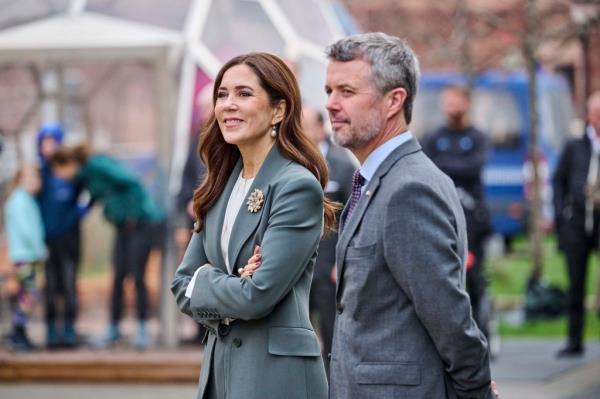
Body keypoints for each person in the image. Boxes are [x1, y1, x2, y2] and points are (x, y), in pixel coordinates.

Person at [324, 33, 494, 398]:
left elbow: (450, 317)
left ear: (393, 101)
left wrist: (475, 389)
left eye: (347, 92)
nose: (331, 104)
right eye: (329, 91)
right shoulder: (377, 179)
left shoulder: (408, 190)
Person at [171, 52, 334, 399]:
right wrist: (226, 283)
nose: (229, 104)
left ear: (278, 110)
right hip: (220, 374)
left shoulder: (295, 185)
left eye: (244, 94)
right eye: (222, 94)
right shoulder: (218, 184)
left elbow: (257, 295)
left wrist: (207, 281)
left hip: (278, 378)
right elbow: (181, 285)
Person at [50, 145, 164, 350]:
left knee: (137, 276)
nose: (60, 176)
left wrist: (130, 211)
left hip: (139, 224)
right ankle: (113, 328)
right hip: (122, 228)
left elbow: (130, 181)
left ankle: (142, 328)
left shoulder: (96, 165)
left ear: (69, 164)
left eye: (59, 170)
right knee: (118, 276)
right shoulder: (85, 178)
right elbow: (97, 194)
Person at [422, 85, 493, 339]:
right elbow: (427, 166)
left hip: (473, 221)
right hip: (440, 218)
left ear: (466, 103)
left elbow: (473, 167)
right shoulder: (433, 137)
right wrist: (451, 166)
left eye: (454, 101)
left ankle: (481, 335)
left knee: (473, 278)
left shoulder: (478, 138)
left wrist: (445, 165)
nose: (450, 107)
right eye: (446, 102)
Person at [302, 104, 355, 376]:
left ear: (321, 129)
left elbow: (354, 218)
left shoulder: (344, 166)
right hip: (296, 270)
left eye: (306, 125)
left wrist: (342, 263)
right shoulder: (288, 165)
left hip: (329, 270)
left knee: (332, 337)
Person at [553, 91, 600, 357]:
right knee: (575, 283)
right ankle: (574, 339)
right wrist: (562, 213)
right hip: (577, 224)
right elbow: (558, 180)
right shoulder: (575, 145)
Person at [37, 123, 86, 348]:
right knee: (51, 285)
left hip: (70, 239)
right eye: (44, 142)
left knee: (68, 284)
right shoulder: (40, 174)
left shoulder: (71, 172)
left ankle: (68, 328)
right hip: (47, 239)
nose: (49, 147)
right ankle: (51, 330)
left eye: (53, 141)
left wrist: (80, 212)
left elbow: (87, 193)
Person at [4, 165, 46, 350]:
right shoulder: (19, 201)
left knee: (28, 293)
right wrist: (40, 250)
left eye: (36, 178)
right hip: (26, 256)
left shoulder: (27, 200)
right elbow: (26, 231)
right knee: (30, 293)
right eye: (29, 178)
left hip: (29, 255)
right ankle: (17, 332)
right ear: (19, 180)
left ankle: (20, 331)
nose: (34, 182)